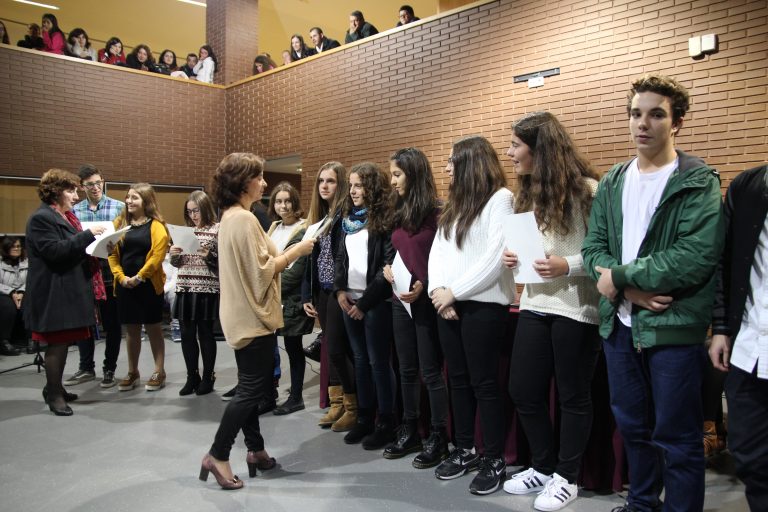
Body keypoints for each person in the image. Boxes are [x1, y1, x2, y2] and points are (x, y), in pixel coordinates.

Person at [582, 74, 724, 512]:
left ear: (676, 122)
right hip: (620, 326)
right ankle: (642, 504)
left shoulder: (698, 180)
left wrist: (620, 278)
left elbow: (693, 257)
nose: (643, 123)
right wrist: (629, 293)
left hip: (673, 327)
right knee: (633, 428)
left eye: (656, 114)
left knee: (678, 437)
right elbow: (593, 249)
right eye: (635, 114)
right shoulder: (613, 181)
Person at [500, 112, 601, 511]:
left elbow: (600, 251)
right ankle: (542, 466)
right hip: (536, 303)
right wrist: (516, 258)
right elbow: (533, 249)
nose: (509, 153)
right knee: (522, 388)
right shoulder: (527, 194)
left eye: (515, 145)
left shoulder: (588, 190)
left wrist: (567, 265)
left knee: (574, 395)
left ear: (538, 149)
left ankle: (567, 477)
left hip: (577, 306)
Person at [199, 153, 314, 490]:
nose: (264, 183)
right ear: (242, 181)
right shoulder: (246, 220)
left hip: (238, 314)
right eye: (259, 177)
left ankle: (256, 451)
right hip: (253, 316)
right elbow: (260, 272)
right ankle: (218, 455)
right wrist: (297, 251)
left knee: (251, 386)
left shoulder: (231, 216)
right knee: (252, 389)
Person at [427, 135, 515, 495]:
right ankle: (464, 448)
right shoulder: (455, 205)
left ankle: (493, 457)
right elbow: (438, 253)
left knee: (484, 384)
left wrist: (454, 293)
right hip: (448, 304)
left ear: (469, 163)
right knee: (458, 381)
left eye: (451, 161)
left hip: (484, 305)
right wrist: (437, 292)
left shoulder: (501, 199)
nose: (446, 168)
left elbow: (495, 257)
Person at [381, 148, 450, 468]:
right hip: (398, 300)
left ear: (415, 173)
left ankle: (438, 435)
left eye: (397, 174)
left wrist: (425, 282)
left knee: (431, 371)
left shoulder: (437, 212)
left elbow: (443, 258)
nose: (392, 181)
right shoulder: (398, 210)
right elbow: (398, 249)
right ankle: (410, 428)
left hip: (425, 300)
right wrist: (388, 268)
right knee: (406, 369)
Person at [24, 169, 107, 415]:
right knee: (57, 345)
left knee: (63, 343)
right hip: (53, 294)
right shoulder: (41, 218)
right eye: (70, 190)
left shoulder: (64, 216)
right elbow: (55, 252)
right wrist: (88, 235)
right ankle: (54, 394)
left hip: (66, 291)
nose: (75, 196)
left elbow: (70, 249)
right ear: (56, 192)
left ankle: (56, 387)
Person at [710, 163, 768, 512]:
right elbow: (724, 262)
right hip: (749, 345)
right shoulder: (748, 186)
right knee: (749, 453)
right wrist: (721, 328)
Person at [335, 162, 396, 449]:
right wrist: (339, 292)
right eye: (351, 185)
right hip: (350, 301)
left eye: (358, 185)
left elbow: (387, 265)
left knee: (378, 363)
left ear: (372, 187)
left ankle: (386, 422)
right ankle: (364, 418)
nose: (353, 190)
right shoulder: (347, 219)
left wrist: (365, 303)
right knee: (360, 361)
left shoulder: (384, 219)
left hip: (375, 303)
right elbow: (339, 259)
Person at [301, 162, 358, 431]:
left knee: (336, 347)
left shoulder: (346, 215)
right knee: (329, 348)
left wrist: (338, 288)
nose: (324, 185)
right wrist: (306, 294)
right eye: (321, 181)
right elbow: (309, 261)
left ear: (342, 184)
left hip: (338, 289)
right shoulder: (320, 218)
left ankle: (352, 406)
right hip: (321, 290)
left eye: (331, 181)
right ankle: (336, 404)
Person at [66, 164, 125, 388]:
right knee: (85, 320)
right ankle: (86, 368)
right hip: (85, 270)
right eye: (90, 184)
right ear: (82, 187)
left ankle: (109, 368)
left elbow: (126, 239)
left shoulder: (119, 207)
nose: (95, 187)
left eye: (98, 182)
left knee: (112, 323)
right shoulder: (74, 211)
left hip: (110, 270)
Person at [108, 183, 169, 392]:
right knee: (131, 330)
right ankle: (133, 372)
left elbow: (156, 257)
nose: (129, 201)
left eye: (134, 198)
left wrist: (139, 277)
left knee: (153, 328)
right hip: (125, 285)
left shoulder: (157, 226)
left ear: (146, 201)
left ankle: (159, 371)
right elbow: (112, 254)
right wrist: (121, 277)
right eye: (128, 197)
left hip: (149, 286)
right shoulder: (119, 224)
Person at [267, 182, 314, 415]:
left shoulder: (304, 229)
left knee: (293, 347)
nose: (283, 206)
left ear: (295, 202)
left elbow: (296, 270)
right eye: (278, 201)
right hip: (270, 297)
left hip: (291, 299)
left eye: (287, 201)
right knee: (266, 347)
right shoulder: (273, 227)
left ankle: (296, 397)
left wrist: (266, 285)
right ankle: (268, 393)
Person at [170, 190, 220, 396]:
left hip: (207, 288)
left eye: (196, 211)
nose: (193, 216)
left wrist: (209, 254)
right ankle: (192, 376)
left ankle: (208, 376)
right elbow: (176, 263)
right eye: (189, 212)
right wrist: (173, 255)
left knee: (206, 334)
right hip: (185, 285)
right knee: (187, 335)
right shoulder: (185, 231)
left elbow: (223, 262)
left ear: (205, 208)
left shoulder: (218, 229)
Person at [0, 237, 28, 356]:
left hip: (23, 292)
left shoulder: (27, 261)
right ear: (6, 249)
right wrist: (11, 292)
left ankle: (31, 340)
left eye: (18, 246)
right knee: (8, 307)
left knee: (28, 304)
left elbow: (32, 279)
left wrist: (21, 292)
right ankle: (4, 342)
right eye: (13, 247)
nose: (16, 249)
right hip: (4, 292)